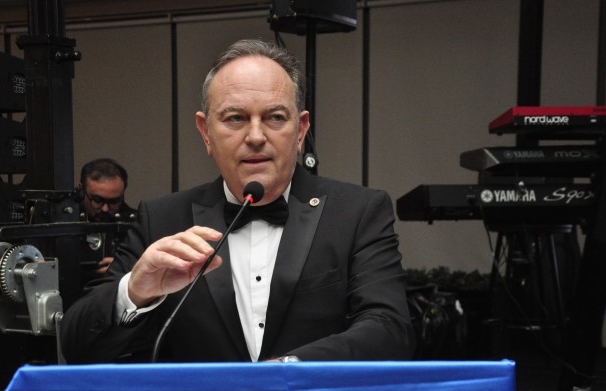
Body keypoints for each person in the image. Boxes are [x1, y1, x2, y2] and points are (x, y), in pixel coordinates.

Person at [59, 39, 415, 364]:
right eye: (235, 118)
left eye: (275, 117)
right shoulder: (163, 218)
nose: (256, 136)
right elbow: (75, 345)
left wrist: (289, 369)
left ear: (301, 131)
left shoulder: (357, 212)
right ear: (206, 133)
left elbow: (389, 329)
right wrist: (134, 292)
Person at [78, 158, 137, 276]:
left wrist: (127, 269)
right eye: (97, 200)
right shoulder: (65, 222)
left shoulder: (137, 223)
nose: (105, 209)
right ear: (81, 189)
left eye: (114, 201)